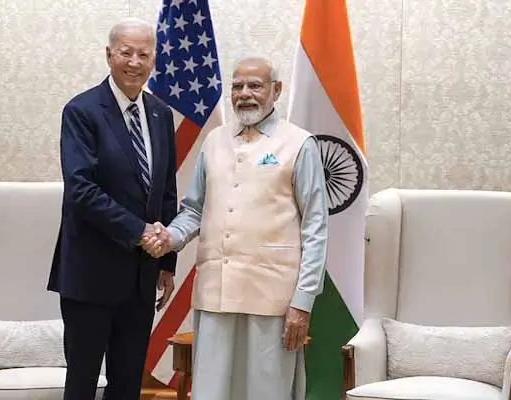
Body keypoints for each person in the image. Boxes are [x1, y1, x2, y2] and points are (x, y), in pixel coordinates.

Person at [143, 55, 329, 399]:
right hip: (216, 293)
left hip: (273, 297)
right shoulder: (214, 141)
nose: (245, 94)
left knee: (266, 392)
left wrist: (302, 302)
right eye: (238, 86)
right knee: (212, 391)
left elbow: (315, 229)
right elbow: (194, 210)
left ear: (276, 90)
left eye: (255, 86)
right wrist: (170, 237)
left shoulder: (300, 144)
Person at [47, 17, 178, 400]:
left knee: (127, 384)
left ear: (154, 59)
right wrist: (140, 233)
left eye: (144, 54)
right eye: (126, 53)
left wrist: (167, 260)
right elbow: (81, 190)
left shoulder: (160, 114)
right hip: (90, 275)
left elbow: (165, 191)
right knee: (83, 382)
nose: (134, 62)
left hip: (141, 278)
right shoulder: (82, 111)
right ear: (109, 55)